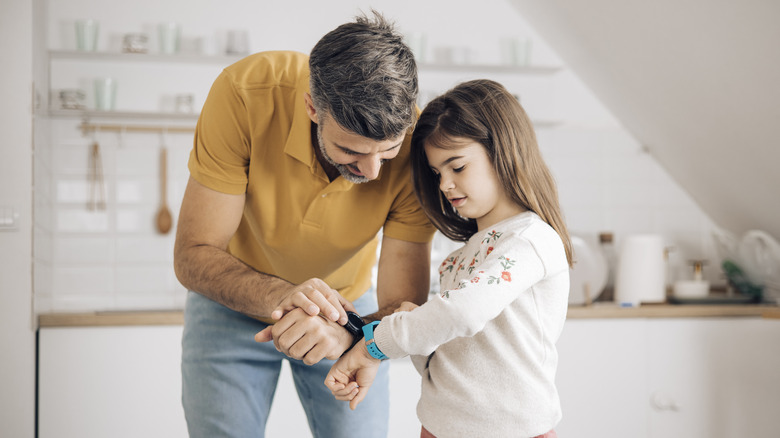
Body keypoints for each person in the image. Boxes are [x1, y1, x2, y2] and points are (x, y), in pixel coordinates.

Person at [173, 11, 436, 438]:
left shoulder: (417, 149)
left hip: (349, 313)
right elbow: (193, 255)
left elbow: (405, 304)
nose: (371, 173)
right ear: (313, 107)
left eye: (386, 153)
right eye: (351, 151)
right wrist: (286, 297)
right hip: (231, 303)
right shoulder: (245, 92)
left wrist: (347, 333)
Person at [323, 79, 574, 438]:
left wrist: (373, 347)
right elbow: (443, 356)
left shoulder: (530, 240)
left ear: (503, 150)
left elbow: (462, 312)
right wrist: (395, 331)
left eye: (457, 167)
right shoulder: (457, 260)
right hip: (438, 427)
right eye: (437, 172)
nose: (444, 184)